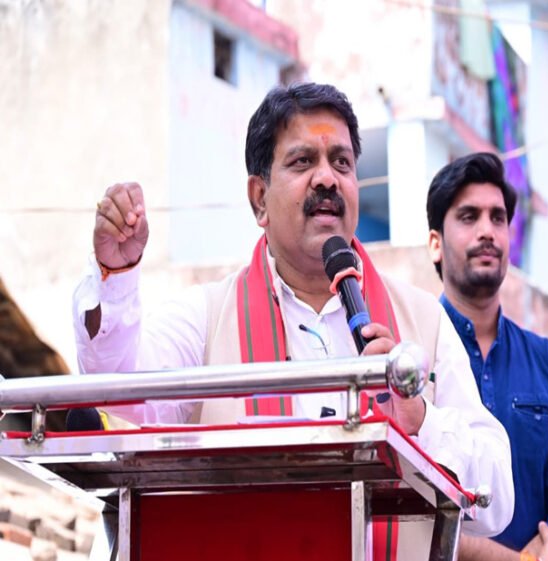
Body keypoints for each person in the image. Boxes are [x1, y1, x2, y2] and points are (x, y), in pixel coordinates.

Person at [73, 83, 514, 556]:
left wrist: (420, 421)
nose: (327, 179)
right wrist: (116, 276)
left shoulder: (423, 321)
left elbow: (496, 500)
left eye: (341, 162)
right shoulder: (208, 318)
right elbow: (117, 385)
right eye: (303, 161)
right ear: (259, 199)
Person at [426, 152, 548, 561]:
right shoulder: (413, 358)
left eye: (498, 218)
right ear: (435, 244)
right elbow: (408, 518)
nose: (487, 231)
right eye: (469, 217)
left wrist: (547, 552)